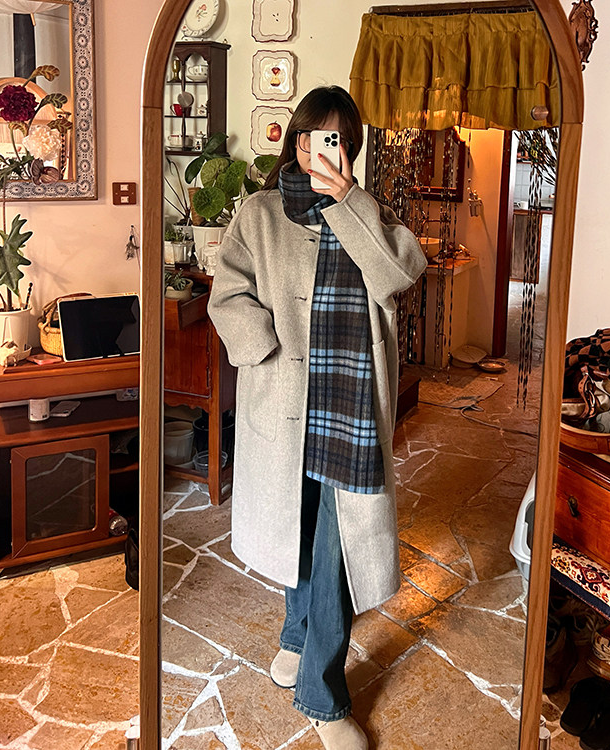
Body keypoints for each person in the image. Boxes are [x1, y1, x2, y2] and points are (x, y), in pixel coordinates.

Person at [207, 85, 426, 750]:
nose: (318, 150)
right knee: (296, 524)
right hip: (285, 399)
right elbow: (228, 294)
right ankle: (297, 635)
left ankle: (322, 698)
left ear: (349, 149)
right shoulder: (258, 213)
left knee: (334, 542)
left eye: (334, 139)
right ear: (294, 141)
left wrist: (348, 202)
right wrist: (265, 349)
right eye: (309, 137)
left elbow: (400, 274)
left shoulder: (368, 212)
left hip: (349, 404)